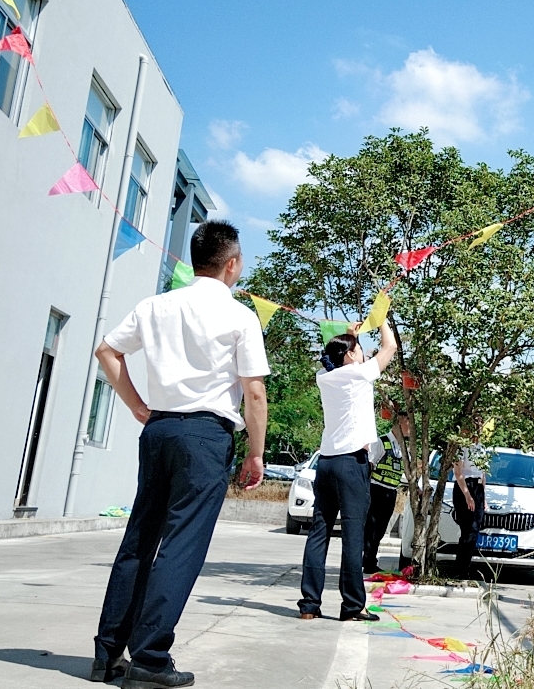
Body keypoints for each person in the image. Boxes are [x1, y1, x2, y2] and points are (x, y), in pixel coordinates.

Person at [90, 220, 270, 689]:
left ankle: (107, 654)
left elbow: (107, 352)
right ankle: (150, 658)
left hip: (159, 429)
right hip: (205, 436)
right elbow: (254, 392)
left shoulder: (156, 305)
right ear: (232, 264)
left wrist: (138, 406)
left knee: (140, 538)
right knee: (181, 545)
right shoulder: (240, 316)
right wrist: (255, 454)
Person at [298, 318, 399, 621]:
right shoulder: (359, 374)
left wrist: (351, 337)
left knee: (319, 532)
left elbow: (338, 357)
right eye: (358, 350)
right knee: (354, 535)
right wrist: (381, 319)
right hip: (351, 463)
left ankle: (309, 605)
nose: (364, 353)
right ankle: (353, 605)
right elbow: (390, 346)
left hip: (327, 462)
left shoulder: (324, 376)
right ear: (352, 355)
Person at [363, 410, 412, 574]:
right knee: (371, 527)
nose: (411, 427)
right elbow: (369, 465)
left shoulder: (403, 448)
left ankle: (370, 558)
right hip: (376, 489)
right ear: (399, 423)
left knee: (381, 529)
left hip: (391, 492)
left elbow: (407, 472)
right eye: (408, 422)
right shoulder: (381, 442)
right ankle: (368, 561)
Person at [452, 436, 489, 578]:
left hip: (478, 488)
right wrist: (467, 495)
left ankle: (464, 568)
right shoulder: (462, 446)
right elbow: (458, 472)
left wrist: (483, 498)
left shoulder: (482, 447)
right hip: (465, 487)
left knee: (474, 531)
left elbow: (483, 474)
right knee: (469, 530)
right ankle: (460, 570)